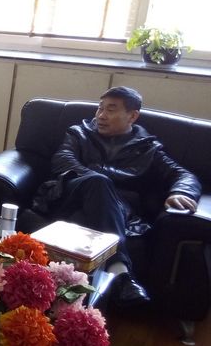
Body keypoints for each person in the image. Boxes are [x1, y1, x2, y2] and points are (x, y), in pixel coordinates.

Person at [33, 86, 201, 307]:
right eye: (100, 108)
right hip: (69, 196)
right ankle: (120, 273)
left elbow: (183, 175)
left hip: (114, 212)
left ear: (132, 116)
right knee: (97, 182)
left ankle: (76, 303)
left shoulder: (147, 149)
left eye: (110, 110)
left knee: (90, 214)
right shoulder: (79, 133)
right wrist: (99, 179)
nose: (101, 115)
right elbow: (62, 159)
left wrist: (181, 191)